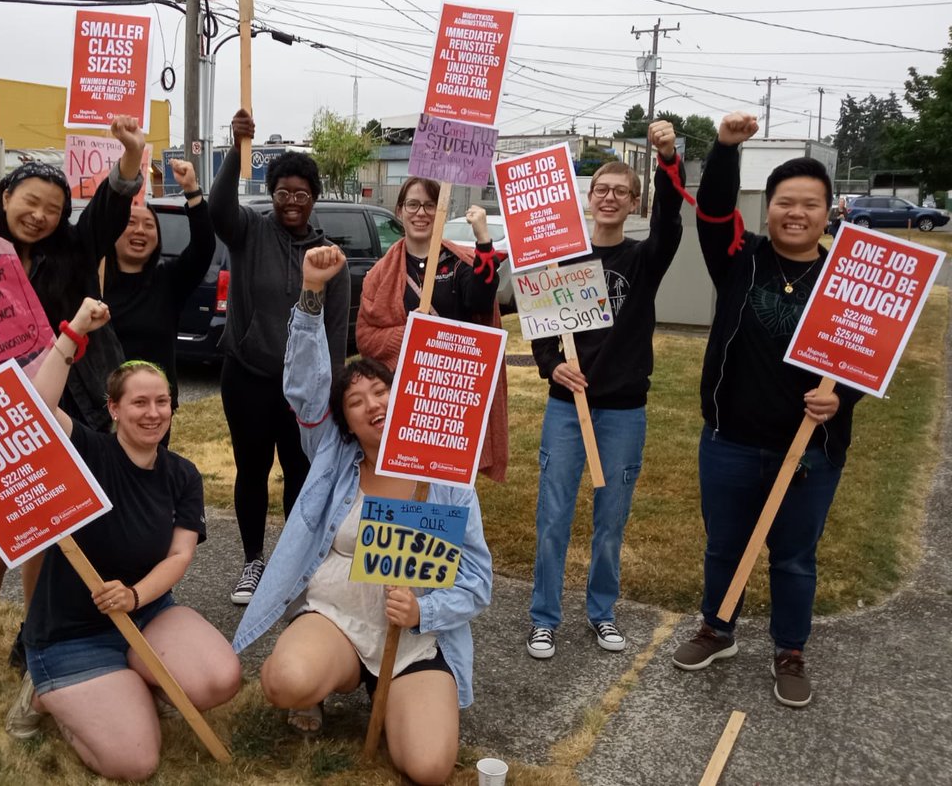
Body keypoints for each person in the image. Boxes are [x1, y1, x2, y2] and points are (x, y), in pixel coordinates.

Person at [232, 246, 492, 786]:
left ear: (403, 398)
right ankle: (336, 677)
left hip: (414, 636)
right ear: (344, 423)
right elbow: (304, 385)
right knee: (285, 681)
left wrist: (423, 610)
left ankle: (391, 690)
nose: (373, 404)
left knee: (428, 768)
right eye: (356, 402)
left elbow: (477, 581)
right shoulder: (333, 458)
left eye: (382, 391)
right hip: (340, 616)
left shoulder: (446, 480)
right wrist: (312, 292)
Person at [0, 117, 146, 692]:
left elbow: (110, 208)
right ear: (5, 198)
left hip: (74, 409)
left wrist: (130, 156)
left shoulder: (75, 250)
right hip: (1, 416)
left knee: (48, 540)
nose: (40, 215)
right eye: (30, 202)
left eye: (53, 208)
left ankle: (33, 633)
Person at [670, 112, 863, 708]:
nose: (795, 213)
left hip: (810, 450)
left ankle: (790, 649)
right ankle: (717, 627)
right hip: (730, 440)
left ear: (828, 212)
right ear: (770, 208)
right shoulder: (741, 258)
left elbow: (871, 354)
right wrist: (724, 149)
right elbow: (711, 211)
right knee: (724, 545)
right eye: (785, 202)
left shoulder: (847, 278)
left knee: (794, 558)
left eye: (809, 204)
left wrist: (842, 396)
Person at [4, 297, 241, 780]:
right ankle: (44, 693)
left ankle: (134, 677)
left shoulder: (182, 474)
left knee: (221, 680)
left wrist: (134, 596)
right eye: (139, 402)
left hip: (146, 612)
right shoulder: (86, 451)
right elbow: (34, 409)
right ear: (113, 408)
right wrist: (73, 333)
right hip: (71, 632)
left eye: (162, 402)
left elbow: (179, 556)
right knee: (134, 762)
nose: (153, 413)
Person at [526, 121, 685, 660]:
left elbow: (670, 222)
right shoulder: (562, 258)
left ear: (634, 202)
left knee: (611, 520)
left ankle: (602, 612)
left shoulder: (644, 259)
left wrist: (668, 160)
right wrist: (552, 366)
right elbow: (542, 328)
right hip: (565, 409)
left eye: (621, 191)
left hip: (622, 410)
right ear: (588, 198)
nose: (610, 198)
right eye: (602, 190)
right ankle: (544, 618)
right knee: (553, 517)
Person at [209, 109, 351, 604]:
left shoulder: (330, 259)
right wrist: (236, 148)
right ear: (272, 195)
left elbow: (336, 332)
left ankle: (293, 565)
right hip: (247, 376)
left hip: (304, 392)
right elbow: (218, 208)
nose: (292, 202)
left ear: (314, 198)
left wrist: (333, 393)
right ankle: (253, 561)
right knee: (251, 471)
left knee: (300, 475)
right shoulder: (249, 232)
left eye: (302, 194)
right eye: (283, 193)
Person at [356, 176, 509, 482]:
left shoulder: (458, 262)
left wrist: (483, 240)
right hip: (404, 396)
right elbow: (364, 337)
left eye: (429, 205)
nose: (421, 213)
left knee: (450, 485)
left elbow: (480, 301)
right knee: (405, 481)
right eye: (413, 204)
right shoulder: (381, 273)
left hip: (452, 398)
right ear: (400, 211)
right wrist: (408, 335)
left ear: (441, 211)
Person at [101, 158, 216, 417]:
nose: (140, 230)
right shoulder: (91, 282)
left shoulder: (168, 281)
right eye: (130, 223)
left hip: (153, 410)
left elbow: (203, 248)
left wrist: (192, 192)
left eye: (149, 225)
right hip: (101, 408)